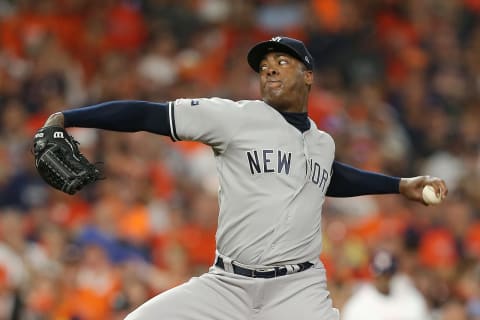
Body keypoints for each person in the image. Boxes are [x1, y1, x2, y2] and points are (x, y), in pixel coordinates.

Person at [38, 36, 448, 320]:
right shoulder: (236, 117)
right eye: (264, 67)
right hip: (227, 284)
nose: (269, 71)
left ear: (308, 76)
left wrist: (398, 185)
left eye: (281, 63)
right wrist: (70, 117)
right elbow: (148, 114)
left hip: (298, 289)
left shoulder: (322, 143)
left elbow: (331, 178)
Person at [341, 250, 431, 320]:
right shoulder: (358, 304)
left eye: (388, 275)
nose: (384, 280)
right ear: (373, 275)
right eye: (381, 276)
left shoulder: (410, 297)